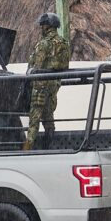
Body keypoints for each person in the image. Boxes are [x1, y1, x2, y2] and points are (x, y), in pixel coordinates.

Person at [24, 12, 71, 151]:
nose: (41, 28)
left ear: (47, 26)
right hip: (54, 85)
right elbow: (64, 65)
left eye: (42, 25)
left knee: (34, 119)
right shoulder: (64, 43)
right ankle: (49, 146)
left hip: (41, 84)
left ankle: (27, 150)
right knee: (49, 117)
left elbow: (36, 66)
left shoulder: (44, 44)